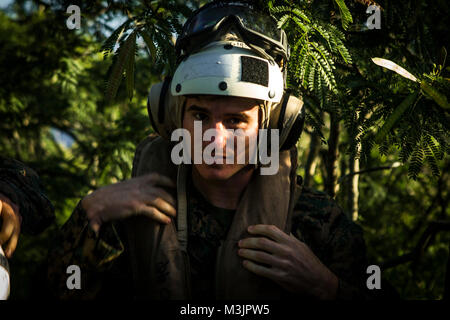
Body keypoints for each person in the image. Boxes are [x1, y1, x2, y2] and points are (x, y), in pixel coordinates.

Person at [46, 0, 372, 300]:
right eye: (200, 115)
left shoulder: (318, 221)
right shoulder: (128, 214)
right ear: (172, 116)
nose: (214, 139)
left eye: (234, 121)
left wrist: (326, 287)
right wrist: (89, 216)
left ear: (274, 126)